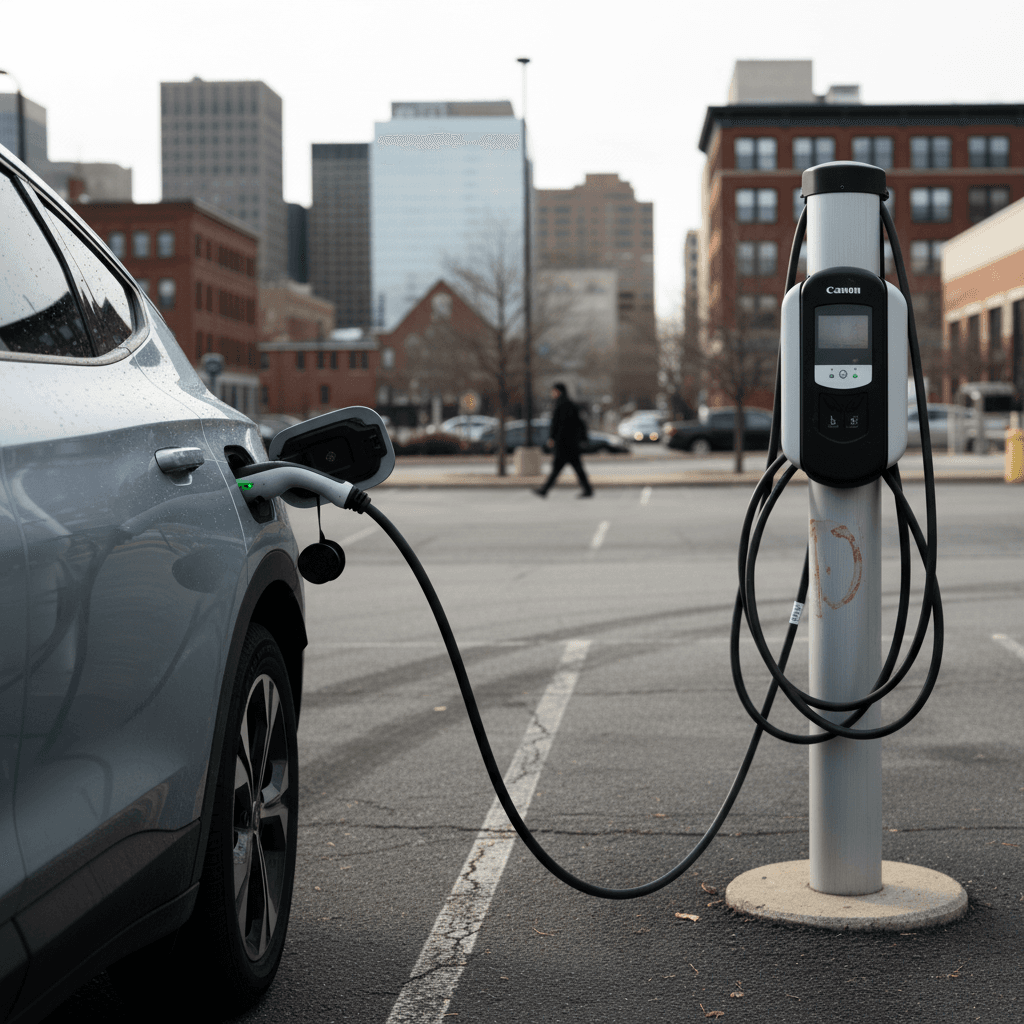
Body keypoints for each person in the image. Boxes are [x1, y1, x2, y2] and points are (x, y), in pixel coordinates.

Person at [533, 382, 593, 498]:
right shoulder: (570, 404)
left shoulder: (560, 405)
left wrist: (552, 438)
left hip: (564, 443)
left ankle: (544, 490)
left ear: (558, 391)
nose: (552, 393)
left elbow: (557, 424)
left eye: (553, 391)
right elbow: (579, 424)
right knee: (575, 468)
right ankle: (587, 489)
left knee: (559, 468)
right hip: (571, 443)